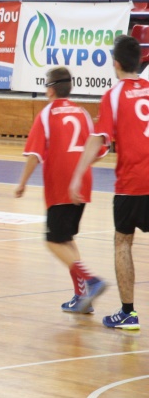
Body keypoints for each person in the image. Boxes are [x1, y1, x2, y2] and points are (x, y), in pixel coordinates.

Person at [15, 67, 107, 314]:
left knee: (53, 242)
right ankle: (82, 297)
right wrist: (80, 169)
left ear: (50, 90)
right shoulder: (83, 114)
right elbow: (98, 151)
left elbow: (34, 155)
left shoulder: (47, 115)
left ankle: (91, 281)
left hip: (60, 185)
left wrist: (22, 183)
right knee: (66, 239)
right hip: (83, 183)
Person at [70, 35, 146, 330]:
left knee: (123, 242)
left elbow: (98, 139)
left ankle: (128, 313)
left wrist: (78, 173)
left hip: (131, 183)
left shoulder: (114, 96)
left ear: (115, 63)